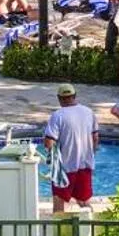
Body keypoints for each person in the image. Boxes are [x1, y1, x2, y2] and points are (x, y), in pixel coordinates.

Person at [43, 84, 99, 214]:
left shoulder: (58, 115)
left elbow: (49, 142)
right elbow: (95, 138)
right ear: (75, 96)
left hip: (64, 167)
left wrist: (52, 161)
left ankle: (59, 227)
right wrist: (90, 154)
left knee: (59, 202)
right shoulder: (89, 112)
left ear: (59, 98)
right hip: (85, 164)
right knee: (84, 202)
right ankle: (92, 225)